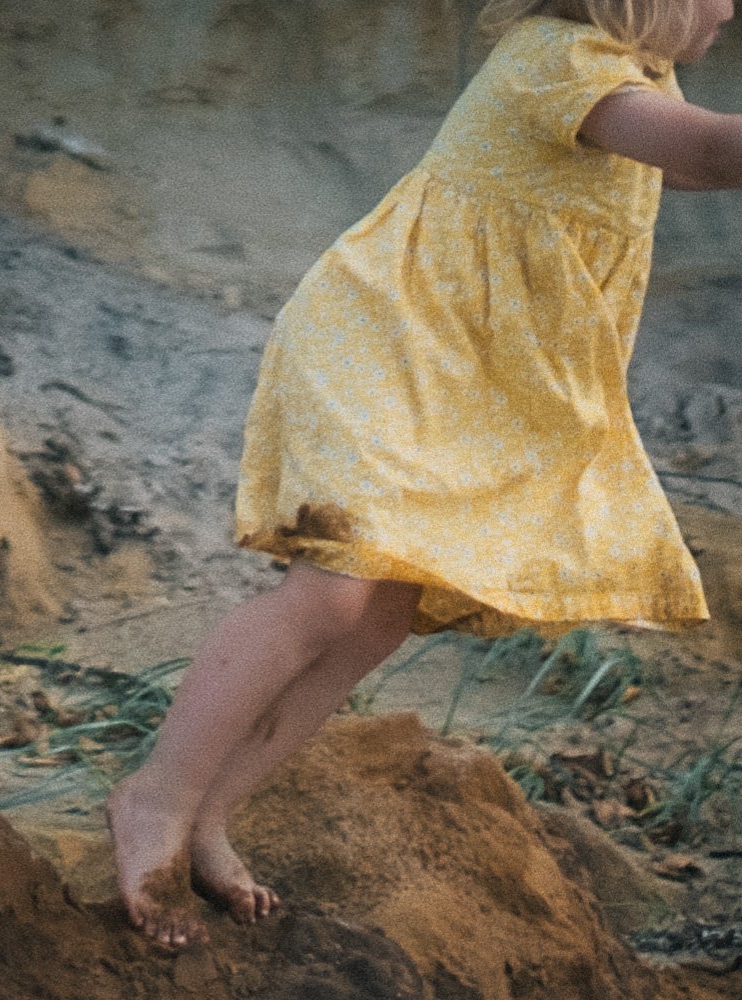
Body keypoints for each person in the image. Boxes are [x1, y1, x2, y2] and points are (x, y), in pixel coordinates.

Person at [108, 0, 734, 948]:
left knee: (379, 612)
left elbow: (685, 166)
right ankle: (154, 798)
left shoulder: (638, 83)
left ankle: (212, 812)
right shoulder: (555, 58)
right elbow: (717, 156)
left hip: (463, 381)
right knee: (327, 600)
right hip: (386, 344)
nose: (730, 7)